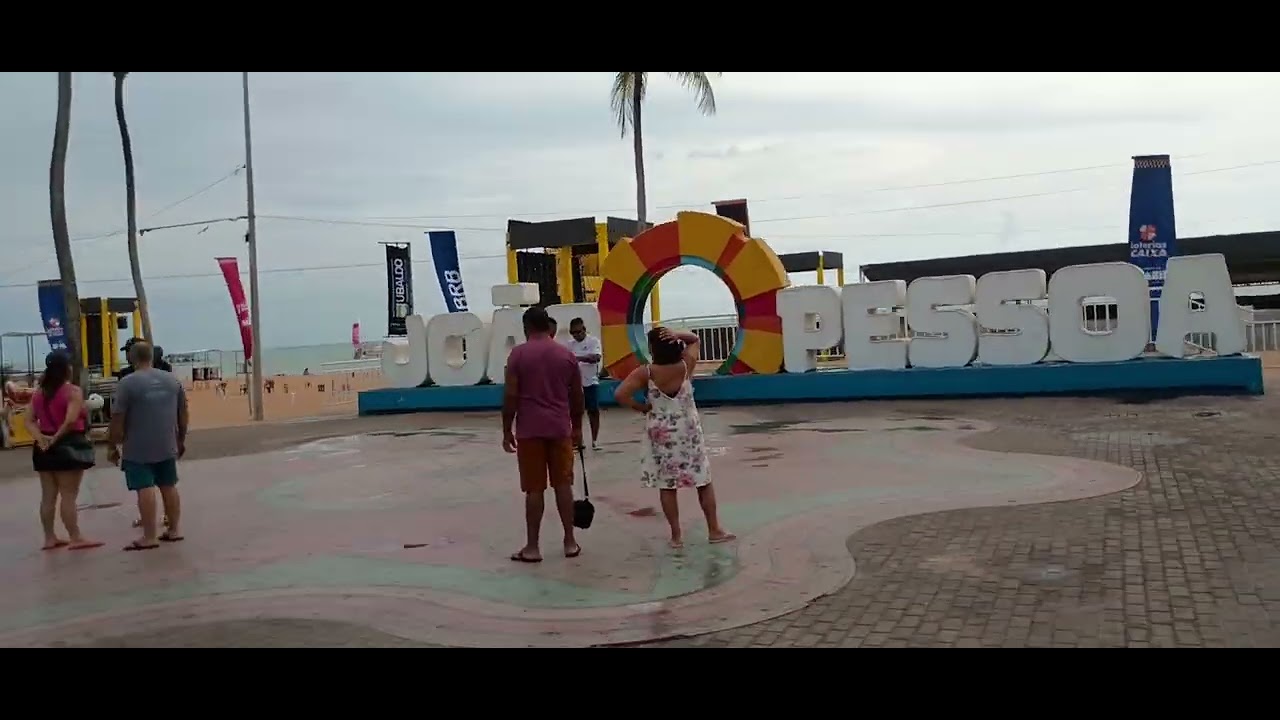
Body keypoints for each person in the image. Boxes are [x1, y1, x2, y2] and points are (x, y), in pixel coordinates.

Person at [613, 327, 734, 549]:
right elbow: (695, 339)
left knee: (668, 486)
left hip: (662, 437)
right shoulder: (686, 366)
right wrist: (676, 334)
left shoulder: (646, 373)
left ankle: (676, 536)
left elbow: (620, 394)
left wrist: (640, 407)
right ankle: (714, 529)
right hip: (689, 434)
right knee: (703, 482)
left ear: (653, 349)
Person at [502, 306, 584, 563]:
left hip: (529, 431)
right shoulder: (565, 354)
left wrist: (506, 429)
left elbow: (511, 396)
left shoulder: (518, 355)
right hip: (560, 429)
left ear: (527, 327)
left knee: (534, 490)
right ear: (549, 327)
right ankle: (570, 541)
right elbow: (577, 396)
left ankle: (533, 547)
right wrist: (578, 427)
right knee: (563, 485)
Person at [108, 341, 188, 551]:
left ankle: (149, 536)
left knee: (145, 487)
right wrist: (181, 439)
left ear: (131, 358)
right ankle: (174, 530)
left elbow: (117, 417)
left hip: (137, 446)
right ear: (151, 357)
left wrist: (112, 445)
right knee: (168, 485)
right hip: (167, 442)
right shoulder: (172, 380)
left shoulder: (127, 383)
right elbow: (183, 414)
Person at [28, 351, 103, 551]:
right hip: (67, 445)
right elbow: (70, 420)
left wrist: (41, 439)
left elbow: (29, 420)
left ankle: (49, 537)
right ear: (66, 368)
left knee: (48, 496)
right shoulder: (73, 391)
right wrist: (55, 438)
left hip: (43, 447)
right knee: (69, 495)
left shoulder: (38, 393)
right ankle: (75, 537)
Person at [563, 318, 604, 450]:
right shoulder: (569, 345)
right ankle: (578, 441)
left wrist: (577, 358)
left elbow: (596, 358)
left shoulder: (593, 341)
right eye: (573, 332)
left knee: (593, 411)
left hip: (590, 381)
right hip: (575, 384)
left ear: (584, 330)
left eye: (578, 332)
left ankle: (595, 440)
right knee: (575, 413)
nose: (576, 335)